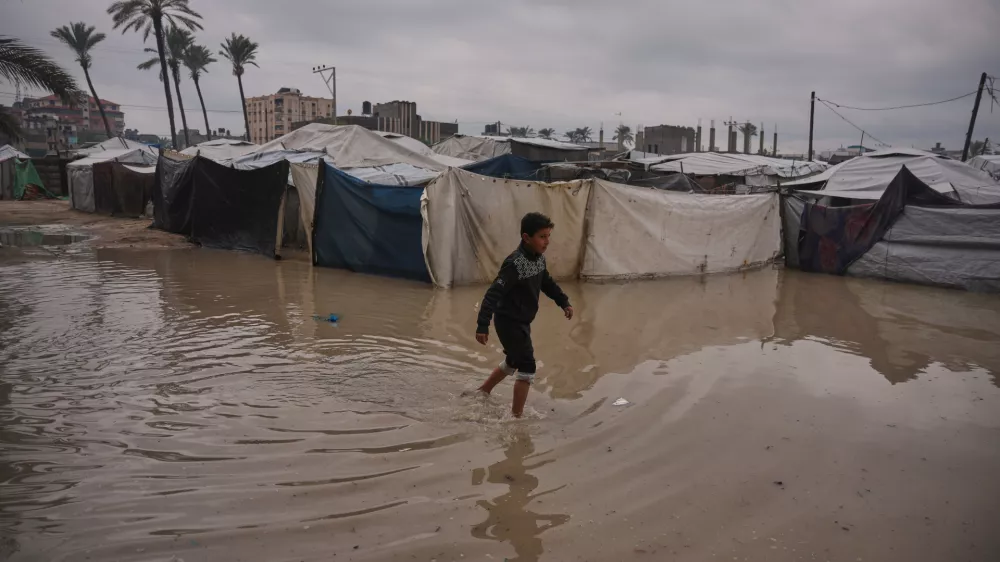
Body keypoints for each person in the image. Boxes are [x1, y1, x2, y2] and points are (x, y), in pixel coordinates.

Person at [474, 212, 573, 417]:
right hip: (509, 322)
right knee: (527, 365)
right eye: (542, 237)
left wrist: (563, 301)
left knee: (513, 360)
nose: (547, 242)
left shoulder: (539, 260)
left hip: (522, 321)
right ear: (527, 238)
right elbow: (493, 293)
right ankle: (516, 418)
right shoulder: (515, 263)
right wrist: (483, 324)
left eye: (548, 236)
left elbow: (547, 283)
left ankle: (483, 391)